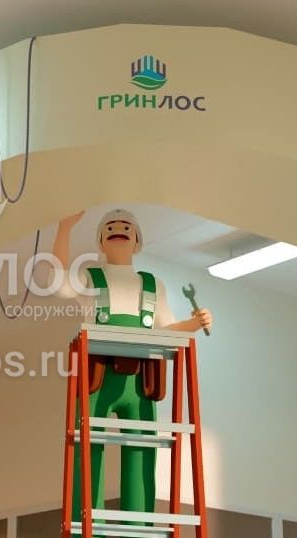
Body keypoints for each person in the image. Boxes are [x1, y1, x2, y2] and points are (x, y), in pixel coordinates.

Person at [53, 209, 212, 528]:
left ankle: (139, 529)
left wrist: (194, 324)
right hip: (97, 378)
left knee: (142, 451)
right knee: (87, 450)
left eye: (126, 226)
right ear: (100, 241)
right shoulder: (90, 278)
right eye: (110, 226)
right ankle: (86, 528)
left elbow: (166, 328)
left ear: (138, 240)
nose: (119, 229)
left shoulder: (153, 285)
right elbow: (57, 283)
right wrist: (64, 228)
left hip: (140, 382)